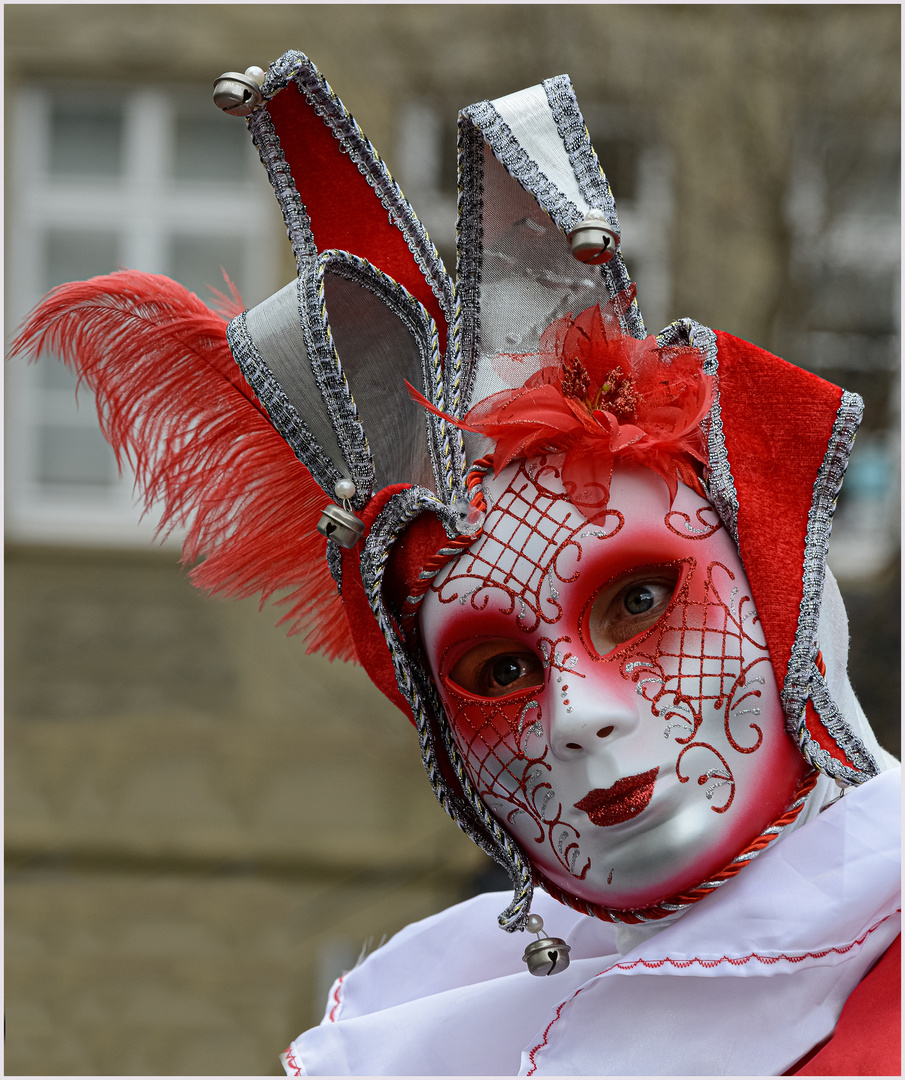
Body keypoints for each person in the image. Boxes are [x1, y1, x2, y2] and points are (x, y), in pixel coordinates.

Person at [12, 49, 899, 1076]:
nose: (576, 714)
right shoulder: (435, 1033)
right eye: (497, 672)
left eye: (640, 597)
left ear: (780, 580)